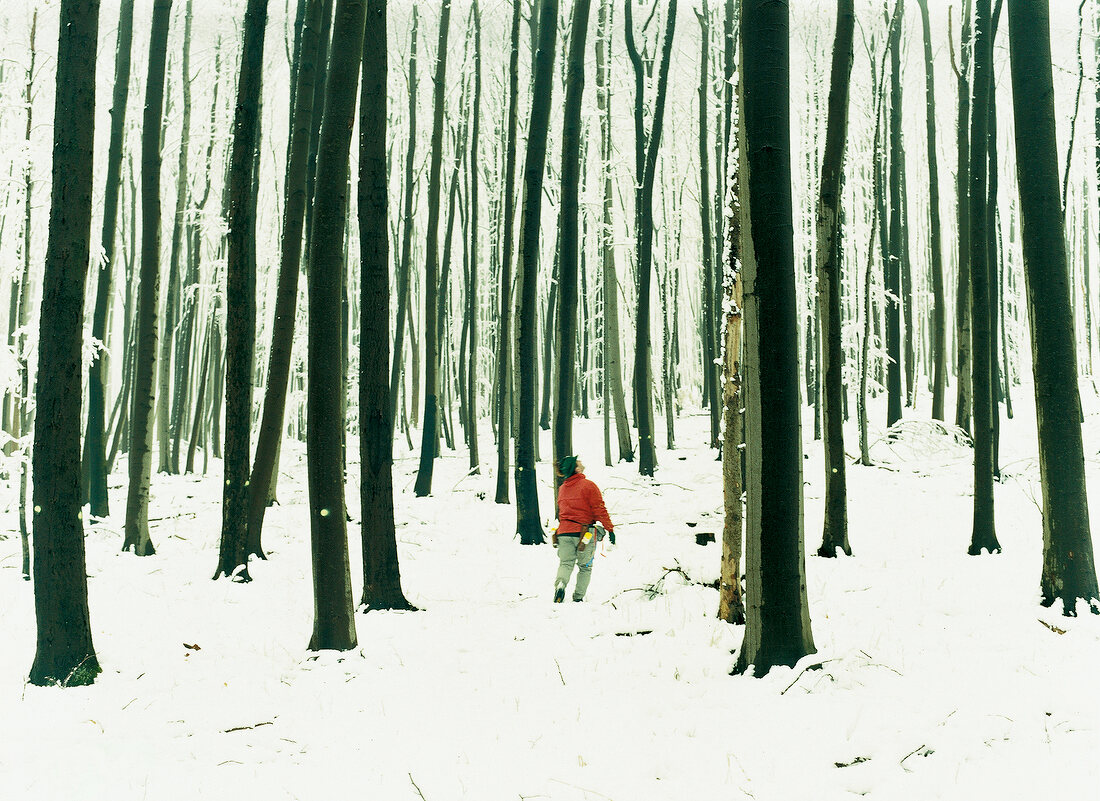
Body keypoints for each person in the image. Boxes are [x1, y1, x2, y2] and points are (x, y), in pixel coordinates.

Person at [552, 455, 615, 603]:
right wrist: (610, 529)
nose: (581, 462)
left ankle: (561, 584)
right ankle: (578, 598)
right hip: (584, 533)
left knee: (565, 563)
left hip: (564, 532)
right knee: (585, 567)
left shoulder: (562, 489)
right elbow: (600, 509)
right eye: (578, 462)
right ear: (576, 468)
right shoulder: (588, 485)